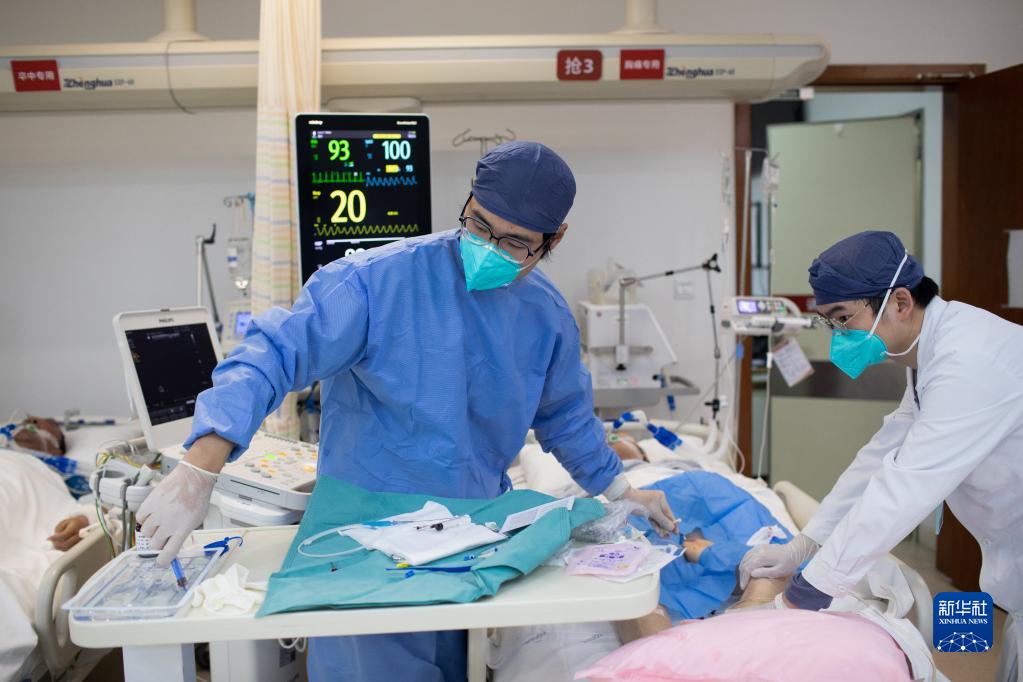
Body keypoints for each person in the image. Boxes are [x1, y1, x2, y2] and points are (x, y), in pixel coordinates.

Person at [136, 141, 677, 681]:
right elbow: (272, 355)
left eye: (515, 242)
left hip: (471, 539)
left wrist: (621, 490)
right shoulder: (373, 282)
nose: (487, 248)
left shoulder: (547, 317)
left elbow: (566, 419)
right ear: (467, 201)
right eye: (479, 225)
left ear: (553, 240)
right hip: (363, 542)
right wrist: (199, 468)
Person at [739, 231, 1023, 681]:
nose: (838, 336)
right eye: (829, 322)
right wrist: (804, 545)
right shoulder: (929, 355)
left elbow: (904, 487)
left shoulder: (969, 360)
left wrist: (803, 595)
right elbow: (880, 457)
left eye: (843, 318)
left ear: (901, 302)